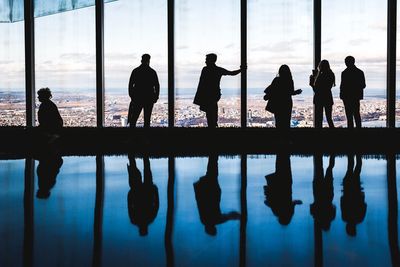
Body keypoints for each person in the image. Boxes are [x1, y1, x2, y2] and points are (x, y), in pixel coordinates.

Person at [193, 155, 240, 235]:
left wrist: (239, 217)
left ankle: (214, 156)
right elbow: (229, 216)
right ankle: (213, 157)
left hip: (209, 192)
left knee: (212, 173)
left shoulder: (213, 220)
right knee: (212, 172)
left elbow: (229, 216)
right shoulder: (207, 221)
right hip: (208, 191)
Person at [193, 53, 243, 128]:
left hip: (207, 94)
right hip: (214, 94)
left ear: (211, 60)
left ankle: (212, 125)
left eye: (206, 60)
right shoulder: (218, 70)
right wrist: (241, 70)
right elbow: (231, 73)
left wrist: (199, 96)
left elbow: (201, 83)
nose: (205, 61)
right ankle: (214, 124)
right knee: (213, 109)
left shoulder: (205, 69)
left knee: (209, 112)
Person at [264, 153, 302, 225]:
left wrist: (297, 202)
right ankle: (281, 152)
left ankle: (284, 151)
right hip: (281, 185)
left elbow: (292, 203)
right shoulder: (276, 211)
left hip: (287, 185)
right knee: (281, 165)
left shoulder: (288, 212)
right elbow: (267, 202)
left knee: (285, 164)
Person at [127, 155, 159, 236]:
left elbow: (157, 205)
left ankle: (138, 154)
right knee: (145, 169)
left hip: (141, 192)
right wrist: (155, 191)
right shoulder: (136, 220)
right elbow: (156, 205)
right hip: (146, 192)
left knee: (145, 169)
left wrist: (156, 191)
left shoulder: (138, 220)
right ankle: (141, 154)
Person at [264, 65, 302, 129]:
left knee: (278, 121)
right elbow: (290, 92)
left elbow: (270, 90)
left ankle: (279, 136)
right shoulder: (290, 80)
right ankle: (286, 137)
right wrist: (297, 92)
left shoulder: (276, 80)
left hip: (278, 103)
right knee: (286, 121)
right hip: (287, 103)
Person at [128, 54, 160, 128]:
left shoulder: (136, 71)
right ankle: (146, 137)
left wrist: (132, 96)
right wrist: (156, 97)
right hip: (149, 98)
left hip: (137, 98)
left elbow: (130, 85)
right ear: (149, 61)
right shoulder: (152, 72)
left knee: (133, 119)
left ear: (141, 60)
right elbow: (157, 85)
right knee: (147, 120)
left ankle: (132, 137)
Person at [340, 154, 366, 236]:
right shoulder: (345, 217)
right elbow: (342, 202)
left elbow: (364, 205)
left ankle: (357, 154)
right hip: (348, 191)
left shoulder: (359, 218)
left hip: (355, 192)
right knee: (351, 169)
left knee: (357, 169)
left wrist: (361, 196)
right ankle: (353, 154)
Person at [340, 56, 366, 128]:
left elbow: (342, 86)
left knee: (349, 116)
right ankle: (359, 131)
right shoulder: (360, 72)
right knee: (356, 114)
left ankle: (350, 131)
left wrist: (342, 95)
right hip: (356, 96)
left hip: (347, 97)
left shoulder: (344, 73)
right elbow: (363, 85)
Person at [310, 60, 336, 128]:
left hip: (319, 98)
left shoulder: (320, 76)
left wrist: (312, 83)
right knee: (329, 118)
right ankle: (334, 133)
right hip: (328, 97)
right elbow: (327, 87)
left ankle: (319, 134)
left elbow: (317, 90)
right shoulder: (331, 74)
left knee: (319, 118)